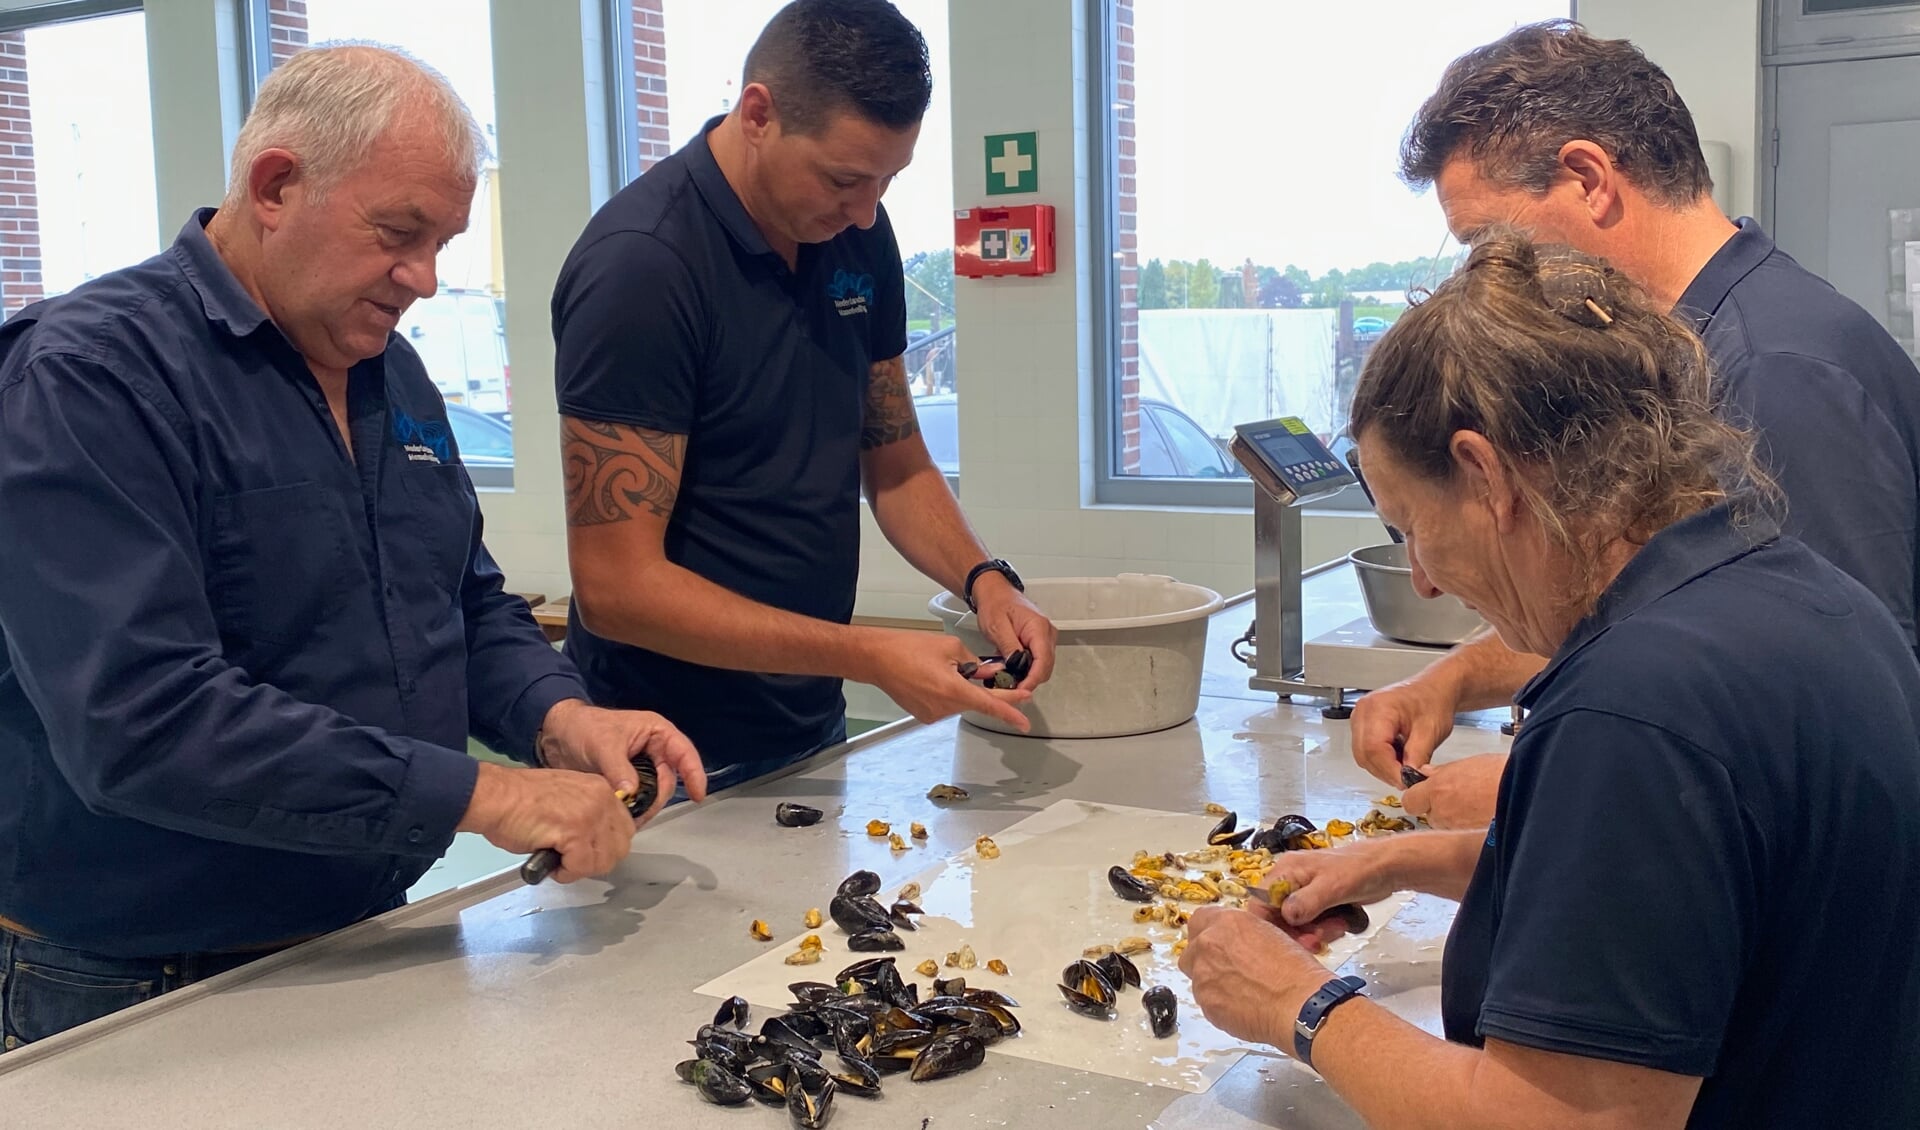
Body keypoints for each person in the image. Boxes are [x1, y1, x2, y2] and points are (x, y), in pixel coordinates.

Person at [0, 45, 706, 1050]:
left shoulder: (388, 370)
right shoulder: (86, 379)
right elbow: (142, 720)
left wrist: (559, 718)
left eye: (442, 243)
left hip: (366, 929)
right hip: (137, 975)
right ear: (277, 184)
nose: (423, 278)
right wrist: (489, 792)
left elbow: (461, 606)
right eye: (398, 234)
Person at [1181, 230, 1920, 1127]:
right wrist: (1394, 861)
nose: (1420, 577)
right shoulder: (1794, 591)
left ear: (1486, 475)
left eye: (1410, 525)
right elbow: (1682, 899)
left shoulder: (1635, 708)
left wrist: (1297, 1005)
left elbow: (1564, 1120)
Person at [1350, 20, 1920, 829]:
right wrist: (1451, 681)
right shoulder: (1679, 349)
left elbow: (1833, 719)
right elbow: (1638, 592)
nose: (1487, 275)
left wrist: (1537, 787)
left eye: (1487, 239)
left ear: (1589, 178)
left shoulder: (1769, 370)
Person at [552, 0, 1056, 790]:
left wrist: (984, 581)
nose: (865, 209)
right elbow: (617, 590)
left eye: (889, 180)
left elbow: (894, 462)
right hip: (655, 750)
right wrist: (866, 652)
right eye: (844, 177)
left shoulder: (855, 235)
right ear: (759, 113)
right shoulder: (643, 269)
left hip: (806, 725)